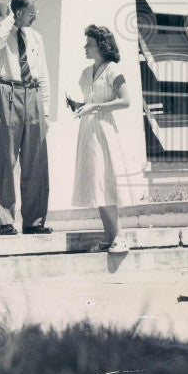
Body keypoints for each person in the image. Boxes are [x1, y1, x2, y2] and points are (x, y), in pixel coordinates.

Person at [0, 0, 52, 236]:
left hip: (32, 94)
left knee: (36, 160)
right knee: (5, 158)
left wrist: (45, 112)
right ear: (18, 12)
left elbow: (43, 74)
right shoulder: (0, 33)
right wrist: (9, 18)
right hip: (7, 91)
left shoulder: (36, 37)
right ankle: (5, 220)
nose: (35, 16)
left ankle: (34, 221)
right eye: (31, 11)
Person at [70, 25, 133, 254]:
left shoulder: (113, 70)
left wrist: (96, 106)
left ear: (102, 47)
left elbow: (126, 101)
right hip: (87, 130)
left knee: (105, 182)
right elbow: (88, 99)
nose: (85, 47)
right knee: (95, 183)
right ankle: (109, 236)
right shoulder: (87, 73)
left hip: (104, 130)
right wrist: (79, 106)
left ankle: (120, 236)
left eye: (89, 44)